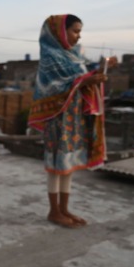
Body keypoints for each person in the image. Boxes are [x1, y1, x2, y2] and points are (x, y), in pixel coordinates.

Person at [28, 14, 117, 229]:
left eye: (79, 32)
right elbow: (54, 87)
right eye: (75, 31)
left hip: (75, 118)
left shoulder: (74, 56)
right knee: (56, 166)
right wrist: (88, 79)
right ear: (60, 31)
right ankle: (53, 211)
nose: (78, 36)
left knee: (68, 166)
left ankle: (64, 209)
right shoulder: (51, 57)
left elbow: (80, 80)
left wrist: (98, 74)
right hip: (57, 119)